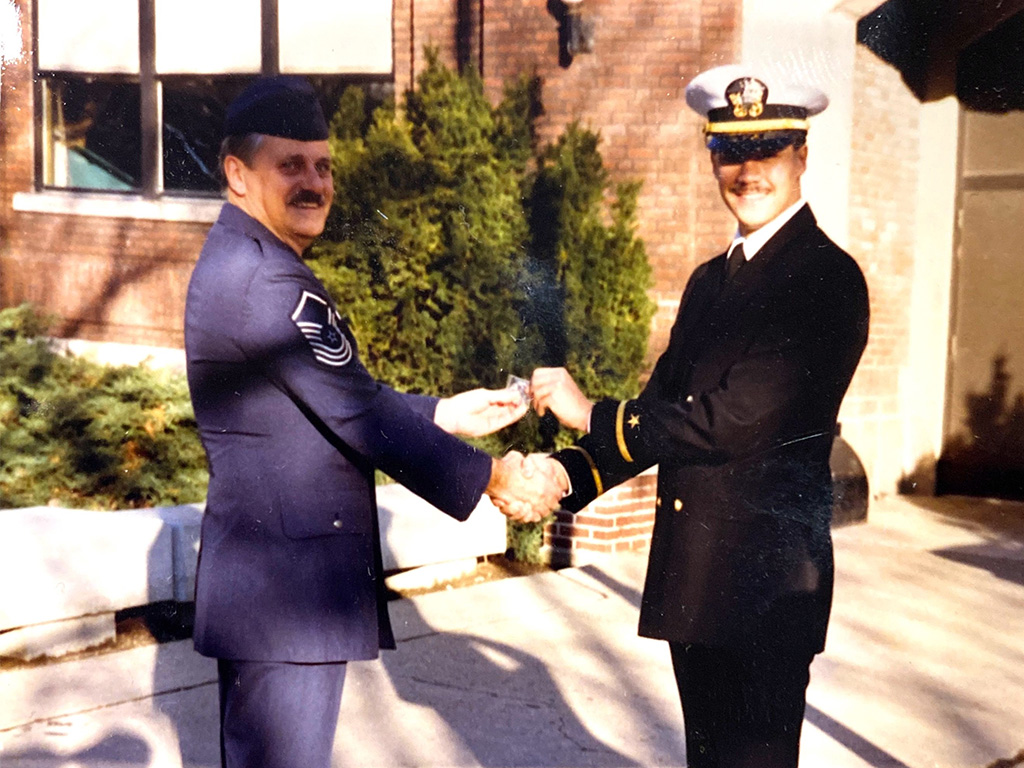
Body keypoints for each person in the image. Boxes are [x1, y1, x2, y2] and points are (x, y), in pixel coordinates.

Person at [184, 76, 561, 768]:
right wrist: (492, 477)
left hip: (276, 592)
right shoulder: (264, 278)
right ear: (238, 174)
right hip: (287, 596)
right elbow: (355, 408)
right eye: (290, 166)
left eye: (323, 167)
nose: (314, 184)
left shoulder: (249, 261)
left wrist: (443, 413)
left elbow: (331, 395)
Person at [529, 64, 870, 767]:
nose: (748, 172)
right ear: (713, 159)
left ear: (802, 156)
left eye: (768, 150)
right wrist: (566, 475)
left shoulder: (825, 279)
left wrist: (588, 413)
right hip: (700, 582)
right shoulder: (710, 281)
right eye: (731, 152)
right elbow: (662, 408)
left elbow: (733, 419)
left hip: (768, 591)